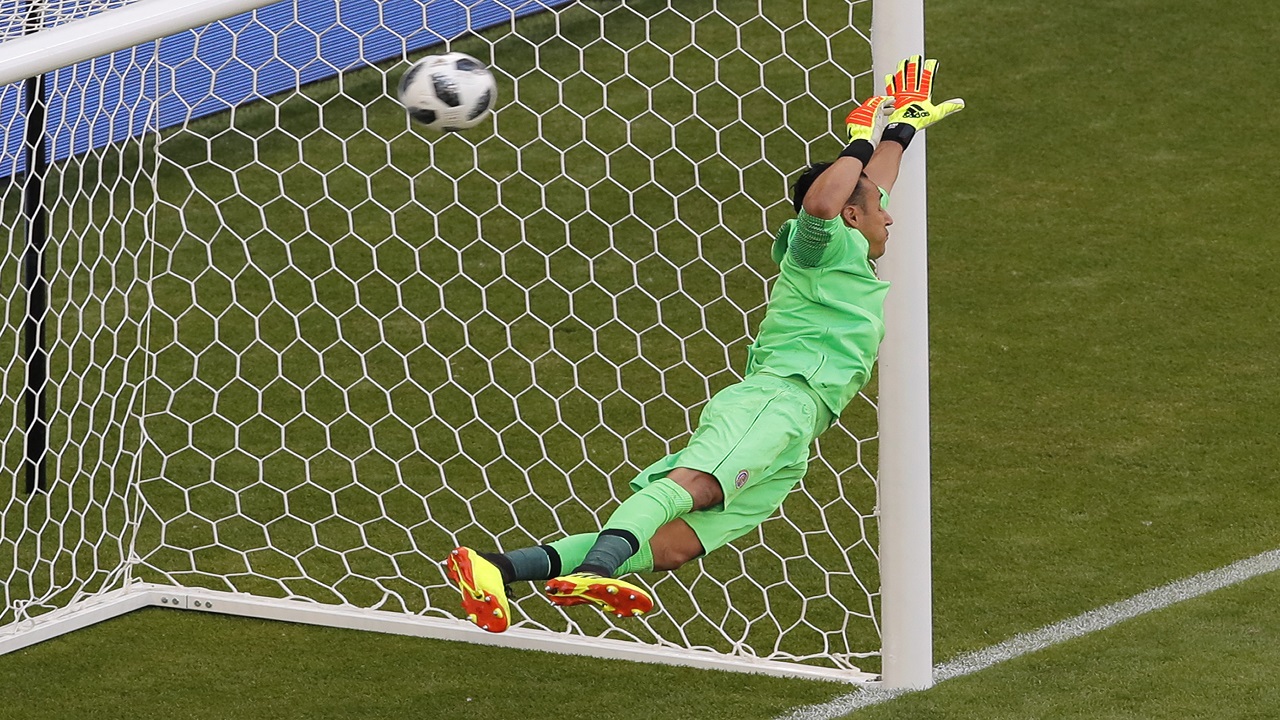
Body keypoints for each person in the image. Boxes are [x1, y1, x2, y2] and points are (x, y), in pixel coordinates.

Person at [444, 56, 964, 632]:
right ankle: (594, 571)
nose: (889, 217)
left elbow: (870, 186)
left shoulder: (849, 243)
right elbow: (825, 202)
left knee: (673, 546)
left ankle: (491, 567)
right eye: (877, 209)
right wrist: (858, 141)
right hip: (779, 397)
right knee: (695, 484)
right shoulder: (819, 244)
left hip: (800, 430)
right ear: (849, 213)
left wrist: (902, 128)